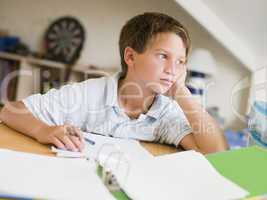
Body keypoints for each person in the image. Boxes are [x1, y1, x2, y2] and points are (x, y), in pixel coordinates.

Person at [0, 12, 228, 154]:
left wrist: (182, 93)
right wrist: (43, 129)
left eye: (180, 62)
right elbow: (11, 111)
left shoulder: (167, 112)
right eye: (162, 56)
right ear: (130, 57)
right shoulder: (89, 93)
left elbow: (217, 153)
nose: (172, 70)